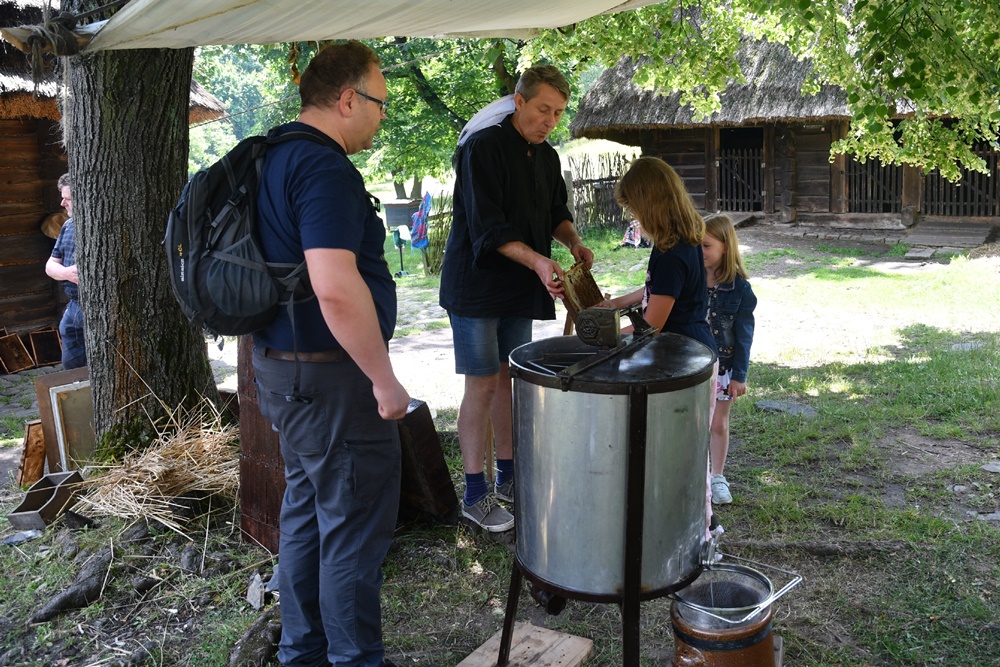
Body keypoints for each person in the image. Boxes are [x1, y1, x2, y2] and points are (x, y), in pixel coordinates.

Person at [250, 41, 410, 667]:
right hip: (332, 381)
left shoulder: (271, 154)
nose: (382, 117)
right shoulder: (323, 169)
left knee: (307, 509)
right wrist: (384, 380)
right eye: (379, 103)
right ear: (348, 99)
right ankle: (354, 660)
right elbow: (336, 289)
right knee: (353, 523)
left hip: (283, 370)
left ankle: (303, 653)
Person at [439, 65, 594, 532]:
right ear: (519, 102)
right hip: (475, 286)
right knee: (483, 384)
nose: (550, 121)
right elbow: (489, 229)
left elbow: (555, 212)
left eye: (558, 113)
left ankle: (508, 478)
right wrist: (539, 262)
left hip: (519, 286)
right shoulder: (482, 148)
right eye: (543, 109)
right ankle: (474, 493)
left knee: (510, 379)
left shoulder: (547, 156)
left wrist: (572, 241)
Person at [601, 157, 718, 539]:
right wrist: (616, 304)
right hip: (694, 355)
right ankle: (693, 522)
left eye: (635, 210)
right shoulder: (684, 241)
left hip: (684, 362)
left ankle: (701, 531)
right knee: (687, 450)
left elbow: (652, 324)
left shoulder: (670, 254)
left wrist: (609, 336)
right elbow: (658, 290)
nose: (635, 219)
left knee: (686, 454)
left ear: (650, 205)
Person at [702, 214, 757, 505]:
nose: (700, 252)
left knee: (718, 424)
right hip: (693, 368)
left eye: (706, 246)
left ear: (725, 247)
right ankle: (695, 474)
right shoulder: (690, 280)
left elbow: (744, 336)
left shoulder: (741, 290)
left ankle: (717, 477)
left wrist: (739, 376)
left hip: (723, 369)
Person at [45, 173, 87, 370]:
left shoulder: (103, 228)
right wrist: (68, 273)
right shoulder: (68, 226)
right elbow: (50, 266)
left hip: (97, 309)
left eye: (68, 199)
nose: (63, 203)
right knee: (72, 372)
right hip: (74, 307)